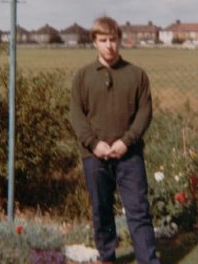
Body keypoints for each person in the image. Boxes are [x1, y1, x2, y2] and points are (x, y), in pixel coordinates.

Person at [70, 16, 160, 264]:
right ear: (94, 43)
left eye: (113, 39)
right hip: (95, 156)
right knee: (101, 210)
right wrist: (94, 144)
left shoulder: (136, 75)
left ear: (120, 40)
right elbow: (76, 114)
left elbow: (145, 113)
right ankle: (107, 257)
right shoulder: (83, 76)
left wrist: (126, 142)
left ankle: (148, 259)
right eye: (103, 40)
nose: (109, 45)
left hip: (129, 155)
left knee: (139, 211)